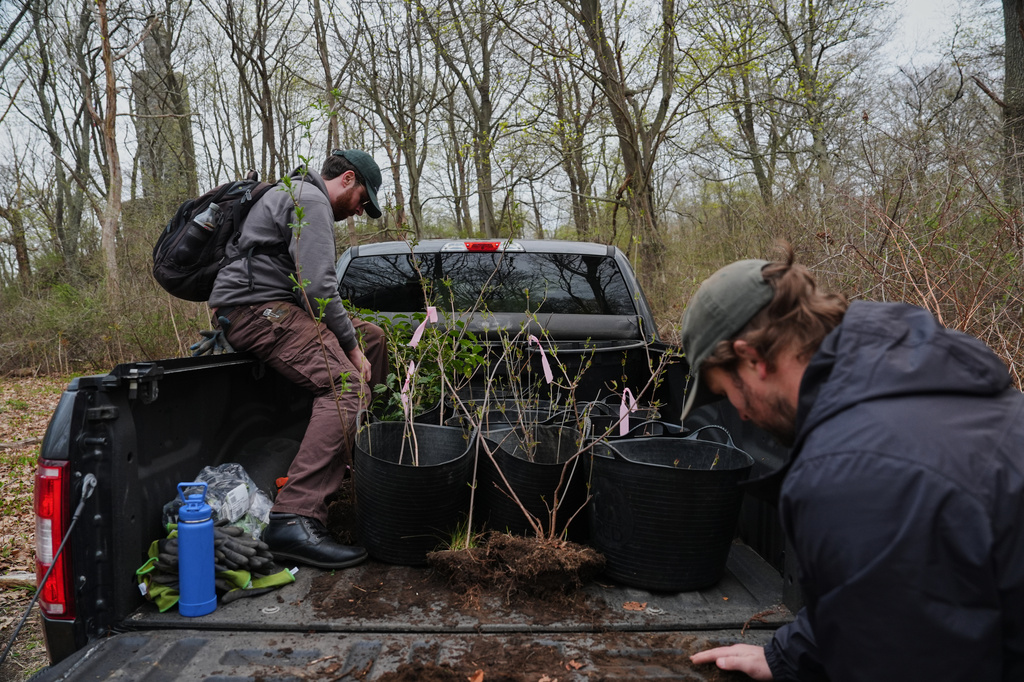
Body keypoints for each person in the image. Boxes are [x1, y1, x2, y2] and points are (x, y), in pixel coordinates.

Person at [681, 248, 1024, 680]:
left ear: (752, 358)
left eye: (723, 391)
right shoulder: (918, 382)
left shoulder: (856, 475)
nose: (739, 413)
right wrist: (790, 656)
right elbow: (895, 596)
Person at [208, 149, 389, 570]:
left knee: (374, 338)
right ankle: (295, 516)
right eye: (364, 199)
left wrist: (359, 344)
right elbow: (320, 288)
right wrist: (350, 349)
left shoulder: (297, 194)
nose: (362, 210)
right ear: (347, 179)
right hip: (256, 309)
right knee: (346, 386)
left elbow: (313, 291)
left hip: (269, 307)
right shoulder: (310, 200)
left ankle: (353, 466)